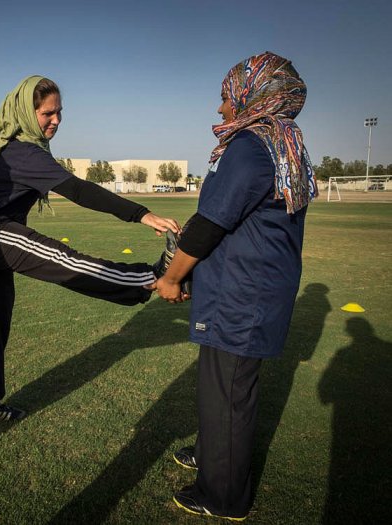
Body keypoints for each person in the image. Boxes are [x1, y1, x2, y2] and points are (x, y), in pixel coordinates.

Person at [0, 75, 180, 423]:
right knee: (62, 260)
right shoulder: (21, 151)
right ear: (27, 114)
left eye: (59, 112)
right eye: (48, 114)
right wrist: (141, 214)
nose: (56, 120)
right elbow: (78, 190)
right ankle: (149, 277)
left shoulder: (13, 146)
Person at [154, 52, 317, 520]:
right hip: (250, 287)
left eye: (227, 95)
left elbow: (210, 224)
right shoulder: (281, 143)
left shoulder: (251, 145)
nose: (221, 106)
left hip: (242, 293)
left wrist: (170, 277)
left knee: (227, 392)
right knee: (221, 384)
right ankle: (212, 453)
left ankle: (222, 495)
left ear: (253, 94)